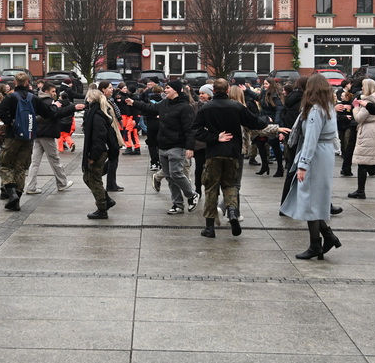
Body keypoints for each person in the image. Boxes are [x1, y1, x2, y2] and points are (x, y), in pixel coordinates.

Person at [192, 78, 269, 238]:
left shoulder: (206, 108)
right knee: (230, 185)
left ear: (213, 90)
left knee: (211, 188)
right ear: (227, 90)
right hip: (233, 152)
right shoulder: (236, 107)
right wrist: (266, 120)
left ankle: (209, 227)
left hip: (213, 152)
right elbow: (254, 123)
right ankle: (232, 212)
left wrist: (214, 137)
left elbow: (196, 130)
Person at [281, 73, 340, 260]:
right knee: (314, 200)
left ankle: (317, 243)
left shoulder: (315, 110)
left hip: (315, 156)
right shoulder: (328, 106)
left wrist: (303, 164)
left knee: (310, 201)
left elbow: (311, 140)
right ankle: (326, 237)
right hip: (324, 153)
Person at [126, 79, 198, 215]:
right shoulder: (164, 103)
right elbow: (150, 109)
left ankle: (191, 194)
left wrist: (190, 147)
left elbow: (189, 129)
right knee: (170, 177)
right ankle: (177, 204)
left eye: (168, 88)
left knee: (176, 173)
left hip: (177, 145)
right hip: (163, 145)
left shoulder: (185, 107)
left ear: (176, 90)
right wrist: (134, 103)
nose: (165, 90)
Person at [0, 72, 56, 211]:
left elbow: (1, 111)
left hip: (13, 136)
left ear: (15, 83)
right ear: (28, 82)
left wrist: (10, 122)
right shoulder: (33, 98)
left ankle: (11, 194)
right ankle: (17, 196)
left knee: (5, 164)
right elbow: (48, 113)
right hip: (28, 136)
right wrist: (54, 106)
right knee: (21, 167)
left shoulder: (11, 97)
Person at [25, 80, 78, 195]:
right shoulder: (49, 102)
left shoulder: (37, 100)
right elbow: (55, 114)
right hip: (47, 133)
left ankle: (31, 186)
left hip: (38, 133)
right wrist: (72, 108)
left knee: (35, 161)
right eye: (53, 91)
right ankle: (62, 183)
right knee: (54, 159)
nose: (55, 93)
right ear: (46, 91)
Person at [81, 86, 121, 219]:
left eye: (88, 97)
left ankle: (102, 208)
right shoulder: (96, 112)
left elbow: (99, 138)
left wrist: (93, 157)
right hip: (99, 151)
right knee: (89, 178)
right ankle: (106, 200)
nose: (86, 99)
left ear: (92, 99)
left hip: (98, 152)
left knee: (94, 179)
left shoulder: (97, 115)